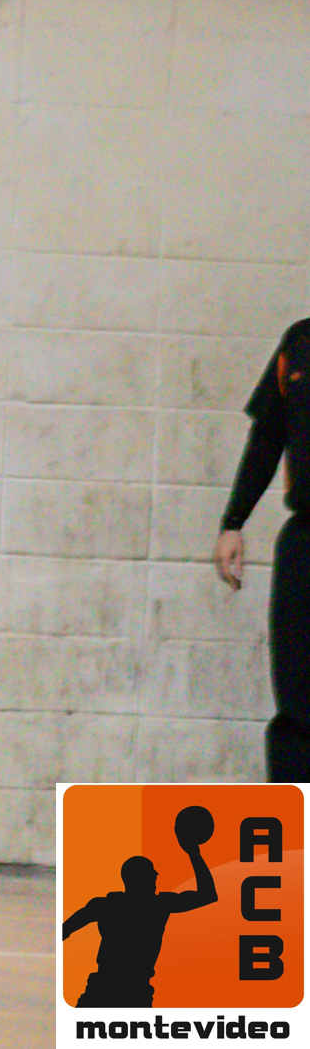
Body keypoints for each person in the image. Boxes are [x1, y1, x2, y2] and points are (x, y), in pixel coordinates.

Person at [214, 317, 310, 780]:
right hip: (306, 538)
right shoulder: (301, 342)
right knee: (298, 694)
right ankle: (295, 817)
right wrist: (233, 522)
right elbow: (268, 436)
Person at [63, 827, 219, 1007]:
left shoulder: (106, 905)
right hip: (134, 993)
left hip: (103, 989)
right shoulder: (158, 905)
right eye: (151, 871)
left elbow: (66, 929)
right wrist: (193, 853)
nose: (156, 874)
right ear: (141, 878)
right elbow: (207, 894)